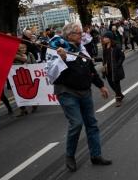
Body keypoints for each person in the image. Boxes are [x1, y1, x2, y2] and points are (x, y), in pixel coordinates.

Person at [45, 22, 112, 172]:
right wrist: (61, 58)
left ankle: (96, 155)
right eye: (79, 34)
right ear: (69, 36)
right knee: (76, 123)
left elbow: (90, 69)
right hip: (67, 92)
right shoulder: (55, 48)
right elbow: (51, 74)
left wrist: (100, 85)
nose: (82, 36)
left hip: (85, 92)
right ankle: (70, 155)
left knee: (92, 124)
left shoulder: (81, 49)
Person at [101, 31, 126, 107]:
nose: (104, 39)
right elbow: (104, 58)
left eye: (106, 37)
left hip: (115, 68)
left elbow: (122, 56)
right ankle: (120, 94)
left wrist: (117, 65)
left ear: (110, 38)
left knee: (116, 83)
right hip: (107, 69)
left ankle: (118, 99)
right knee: (111, 83)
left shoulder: (116, 46)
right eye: (104, 37)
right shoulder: (104, 47)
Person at [15, 43, 38, 117]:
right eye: (22, 48)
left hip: (28, 75)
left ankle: (33, 104)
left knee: (29, 90)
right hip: (17, 76)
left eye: (25, 48)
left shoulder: (29, 54)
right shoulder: (14, 55)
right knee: (17, 92)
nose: (24, 50)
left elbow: (33, 62)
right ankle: (22, 108)